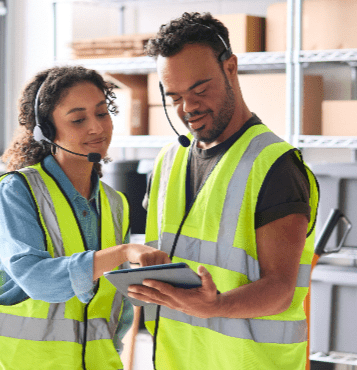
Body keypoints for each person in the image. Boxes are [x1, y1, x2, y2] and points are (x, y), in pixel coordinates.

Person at [126, 12, 320, 370]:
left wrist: (215, 306)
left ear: (230, 67)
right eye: (175, 97)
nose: (188, 108)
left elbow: (279, 289)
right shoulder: (167, 161)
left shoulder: (274, 165)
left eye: (200, 90)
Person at [0, 65, 170, 370]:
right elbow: (39, 281)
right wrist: (124, 252)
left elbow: (118, 309)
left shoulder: (115, 204)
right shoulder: (18, 192)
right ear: (46, 130)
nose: (97, 128)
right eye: (78, 119)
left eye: (102, 113)